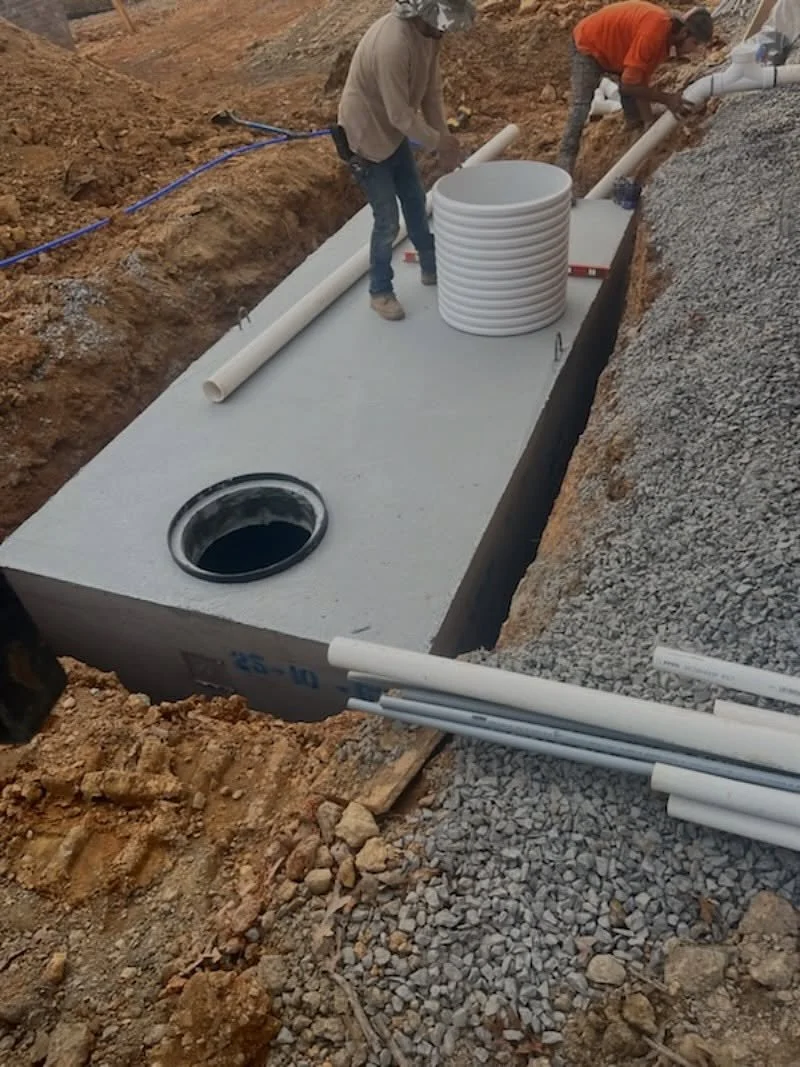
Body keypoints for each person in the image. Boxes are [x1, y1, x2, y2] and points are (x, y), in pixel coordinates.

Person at [337, 0, 476, 321]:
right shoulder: (393, 45)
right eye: (442, 23)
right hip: (367, 137)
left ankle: (431, 266)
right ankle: (380, 291)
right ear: (422, 15)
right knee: (387, 219)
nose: (445, 31)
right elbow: (399, 114)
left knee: (415, 201)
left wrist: (444, 140)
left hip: (393, 132)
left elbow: (431, 93)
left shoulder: (429, 35)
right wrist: (437, 142)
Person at [556, 2, 714, 177]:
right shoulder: (654, 33)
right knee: (581, 107)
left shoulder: (665, 37)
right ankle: (564, 166)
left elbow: (640, 80)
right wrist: (667, 99)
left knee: (634, 98)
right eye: (695, 43)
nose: (693, 50)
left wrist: (648, 122)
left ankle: (634, 127)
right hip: (589, 43)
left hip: (617, 51)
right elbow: (628, 86)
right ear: (684, 33)